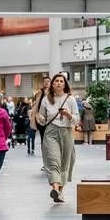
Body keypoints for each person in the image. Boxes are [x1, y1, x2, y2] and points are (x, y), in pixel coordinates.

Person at [36, 73, 79, 203]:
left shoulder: (70, 99)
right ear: (52, 84)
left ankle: (59, 192)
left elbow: (76, 120)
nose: (59, 83)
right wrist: (40, 118)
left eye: (61, 81)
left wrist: (68, 115)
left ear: (65, 84)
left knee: (65, 163)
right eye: (56, 81)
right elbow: (42, 119)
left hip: (66, 132)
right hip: (51, 132)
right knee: (53, 160)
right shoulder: (46, 100)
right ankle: (55, 188)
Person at [32, 76, 52, 166]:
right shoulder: (39, 93)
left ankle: (51, 161)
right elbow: (35, 105)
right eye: (45, 81)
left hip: (51, 120)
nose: (47, 83)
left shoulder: (53, 93)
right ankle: (45, 163)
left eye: (48, 81)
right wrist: (35, 116)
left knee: (51, 141)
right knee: (43, 141)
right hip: (41, 120)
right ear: (43, 83)